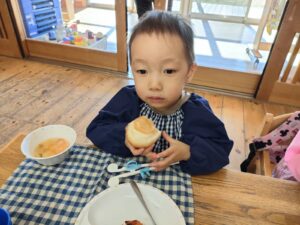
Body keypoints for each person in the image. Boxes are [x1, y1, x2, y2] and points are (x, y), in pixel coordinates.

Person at [86, 11, 233, 175]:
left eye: (169, 71)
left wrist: (188, 151)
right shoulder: (128, 99)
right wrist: (125, 135)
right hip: (129, 177)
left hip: (176, 186)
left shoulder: (197, 110)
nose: (154, 85)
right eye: (142, 71)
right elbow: (96, 129)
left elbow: (220, 151)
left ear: (189, 72)